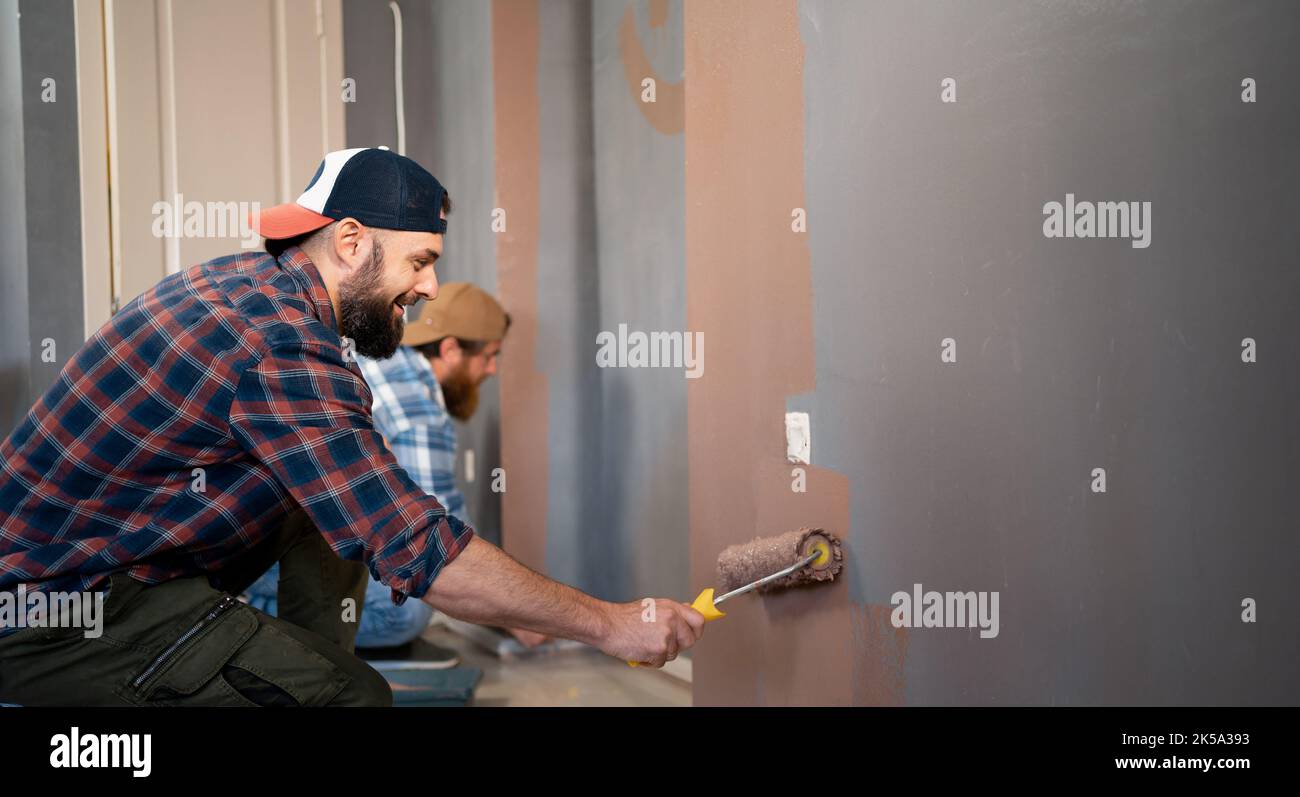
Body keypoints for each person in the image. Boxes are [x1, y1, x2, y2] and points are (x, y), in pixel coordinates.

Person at [0, 147, 703, 706]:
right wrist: (611, 622)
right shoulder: (279, 343)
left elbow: (370, 510)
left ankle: (302, 665)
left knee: (327, 498)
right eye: (421, 260)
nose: (430, 287)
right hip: (56, 616)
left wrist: (515, 608)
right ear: (349, 241)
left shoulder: (248, 288)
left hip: (104, 580)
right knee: (353, 698)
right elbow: (415, 542)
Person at [245, 282, 547, 659]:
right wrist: (518, 612)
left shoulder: (380, 364)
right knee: (404, 613)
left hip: (263, 536)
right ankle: (241, 611)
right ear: (451, 349)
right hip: (273, 552)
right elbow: (444, 533)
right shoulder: (416, 414)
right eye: (489, 355)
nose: (492, 369)